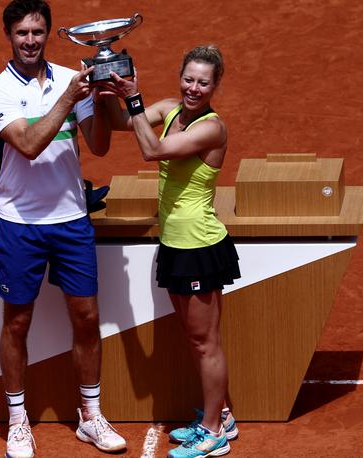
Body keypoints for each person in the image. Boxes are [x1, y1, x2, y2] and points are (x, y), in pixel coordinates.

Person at [0, 1, 126, 457]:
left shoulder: (70, 78)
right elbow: (27, 144)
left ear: (48, 33)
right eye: (22, 32)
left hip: (72, 221)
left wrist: (102, 100)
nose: (30, 41)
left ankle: (90, 415)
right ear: (8, 34)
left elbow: (98, 147)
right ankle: (20, 420)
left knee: (85, 318)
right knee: (17, 322)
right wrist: (71, 96)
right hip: (21, 223)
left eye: (38, 32)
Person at [100, 45, 240, 457]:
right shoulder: (168, 110)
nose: (193, 88)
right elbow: (121, 122)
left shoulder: (212, 128)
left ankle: (214, 432)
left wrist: (135, 97)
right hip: (176, 245)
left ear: (215, 86)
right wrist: (106, 82)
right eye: (189, 79)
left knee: (205, 343)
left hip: (199, 244)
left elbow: (152, 150)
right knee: (197, 340)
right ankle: (223, 414)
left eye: (203, 82)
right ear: (180, 76)